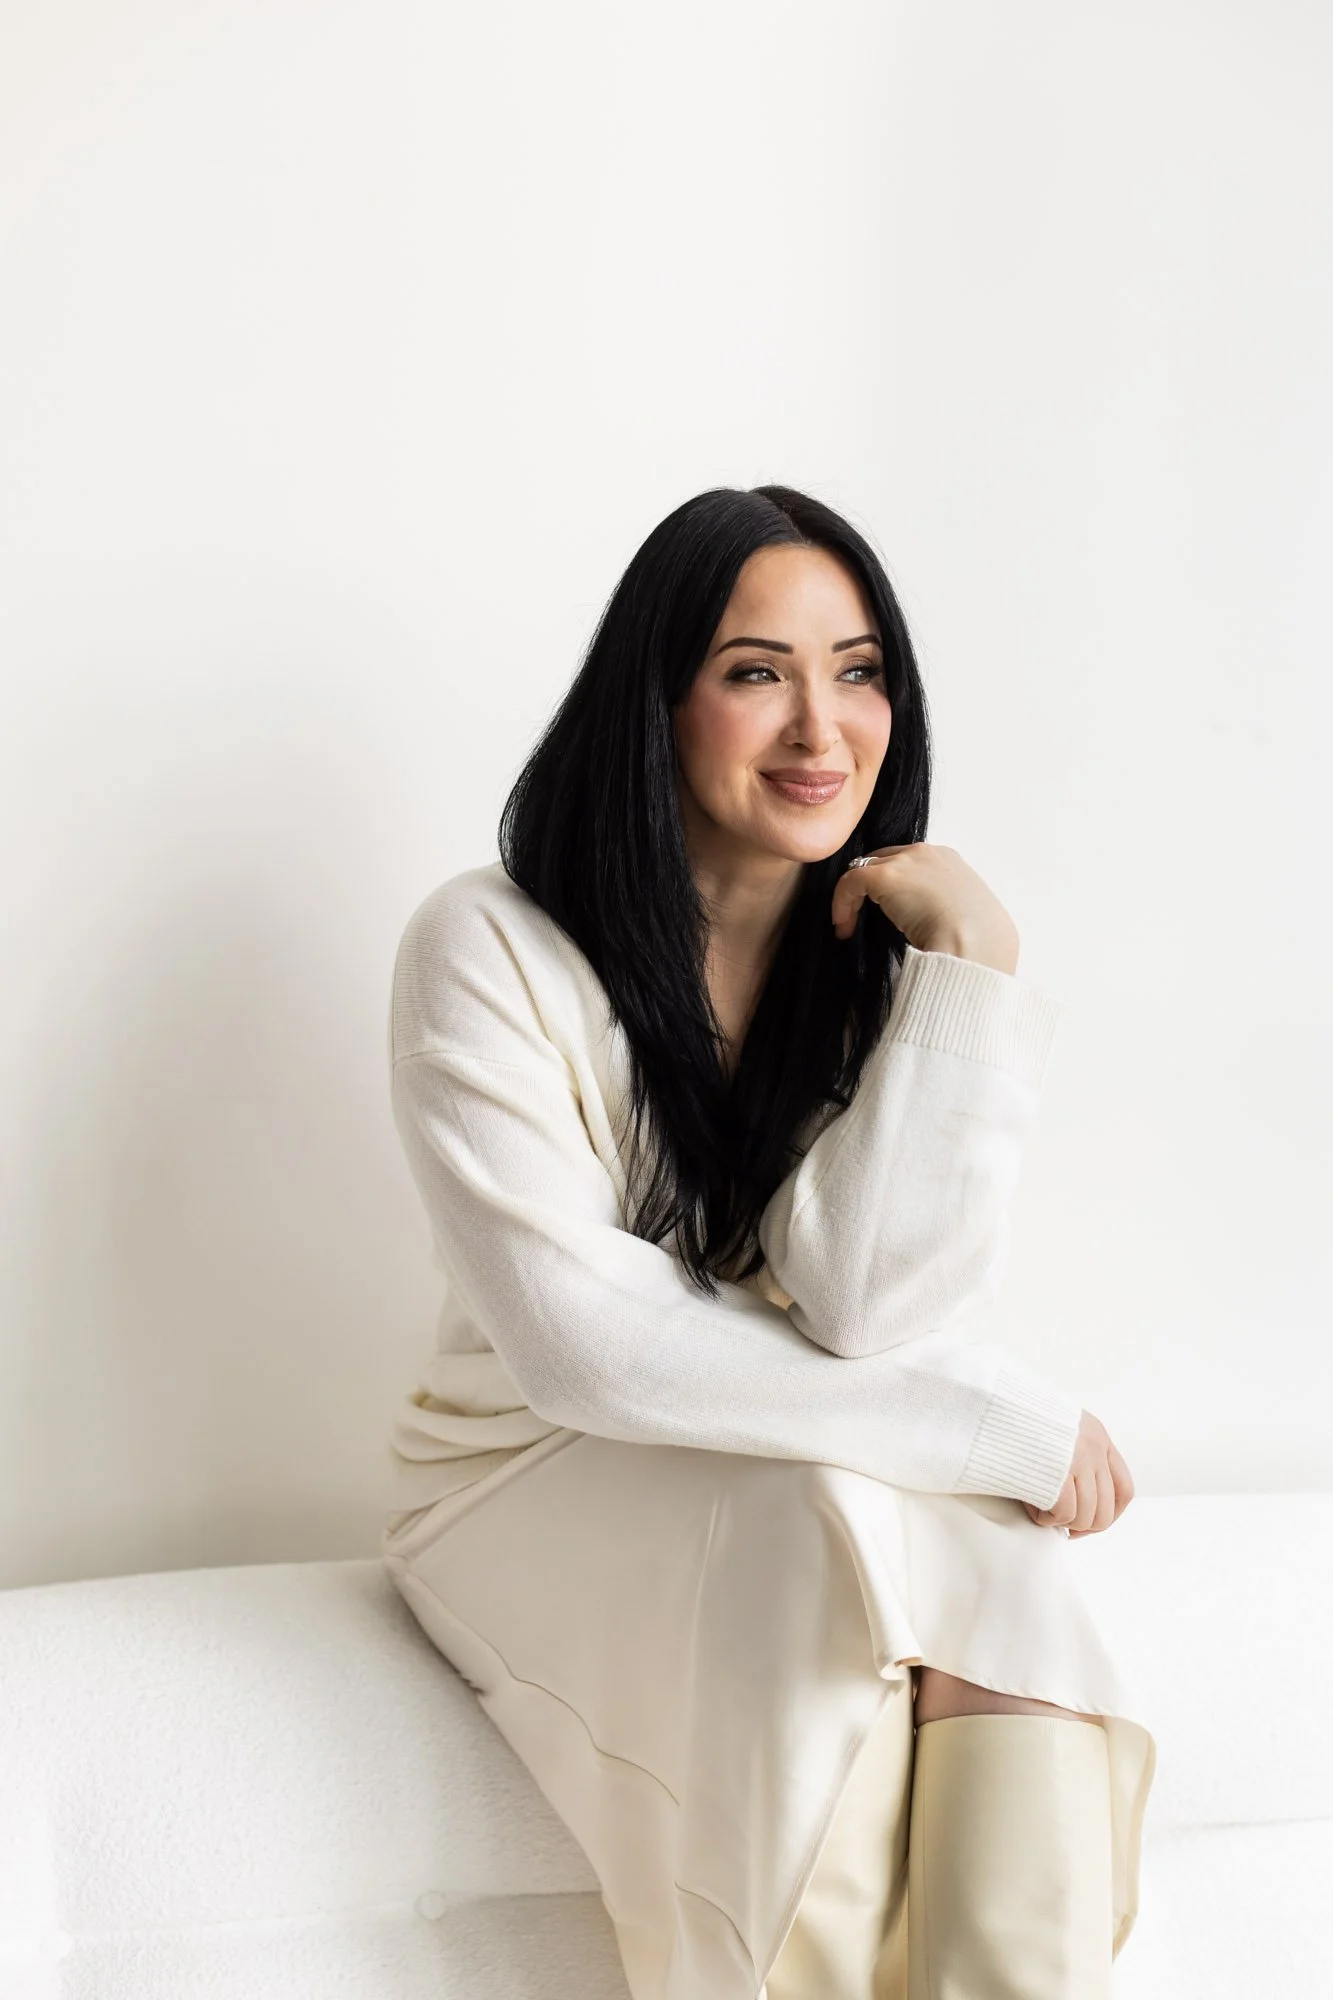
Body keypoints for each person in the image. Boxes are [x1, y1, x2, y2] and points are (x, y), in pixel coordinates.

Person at [379, 483, 1157, 2000]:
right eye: (757, 672)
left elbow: (864, 1309)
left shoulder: (871, 971)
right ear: (656, 703)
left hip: (768, 1473)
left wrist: (972, 981)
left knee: (1002, 1557)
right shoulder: (484, 944)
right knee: (843, 1524)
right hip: (514, 1472)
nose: (822, 727)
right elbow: (587, 1351)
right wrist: (989, 1420)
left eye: (858, 670)